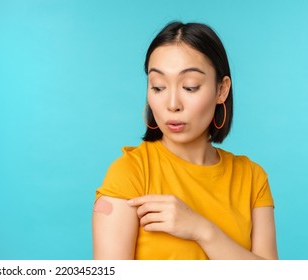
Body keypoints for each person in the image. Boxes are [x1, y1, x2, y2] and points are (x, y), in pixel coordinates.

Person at [92, 21, 278, 260]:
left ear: (221, 90)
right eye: (158, 87)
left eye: (190, 87)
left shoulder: (252, 178)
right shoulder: (130, 173)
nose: (172, 104)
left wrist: (203, 231)